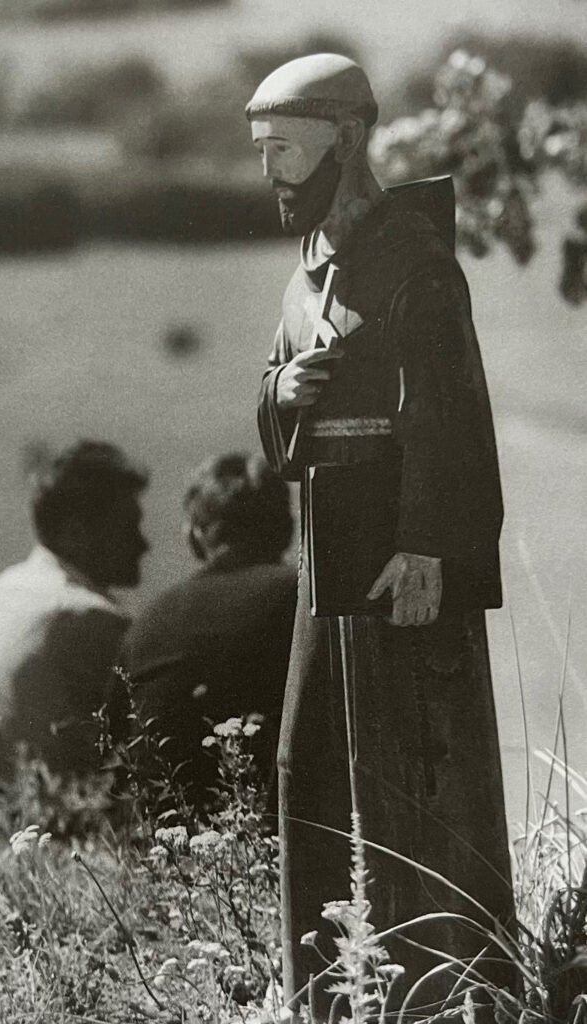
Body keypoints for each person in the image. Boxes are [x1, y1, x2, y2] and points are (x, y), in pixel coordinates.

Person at [247, 54, 514, 1019]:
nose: (269, 173)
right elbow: (276, 408)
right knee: (309, 764)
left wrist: (429, 545)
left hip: (401, 564)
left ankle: (450, 993)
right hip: (331, 561)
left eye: (284, 149)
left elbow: (450, 414)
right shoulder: (306, 270)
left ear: (348, 139)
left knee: (420, 772)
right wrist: (280, 394)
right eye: (261, 152)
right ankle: (326, 995)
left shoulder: (414, 262)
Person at [0, 440, 148, 777]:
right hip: (60, 805)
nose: (144, 544)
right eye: (128, 528)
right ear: (74, 535)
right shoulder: (93, 617)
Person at [117, 452, 297, 815]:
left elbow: (115, 751)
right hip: (272, 825)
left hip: (164, 833)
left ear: (194, 535)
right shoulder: (303, 599)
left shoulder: (147, 621)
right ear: (289, 529)